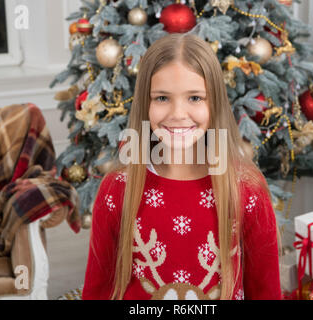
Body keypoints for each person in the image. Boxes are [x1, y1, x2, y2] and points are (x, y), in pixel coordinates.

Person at [82, 33, 282, 300]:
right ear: (146, 104)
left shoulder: (247, 190)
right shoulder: (117, 189)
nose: (177, 114)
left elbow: (266, 292)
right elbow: (97, 290)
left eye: (195, 98)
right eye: (162, 98)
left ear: (215, 105)